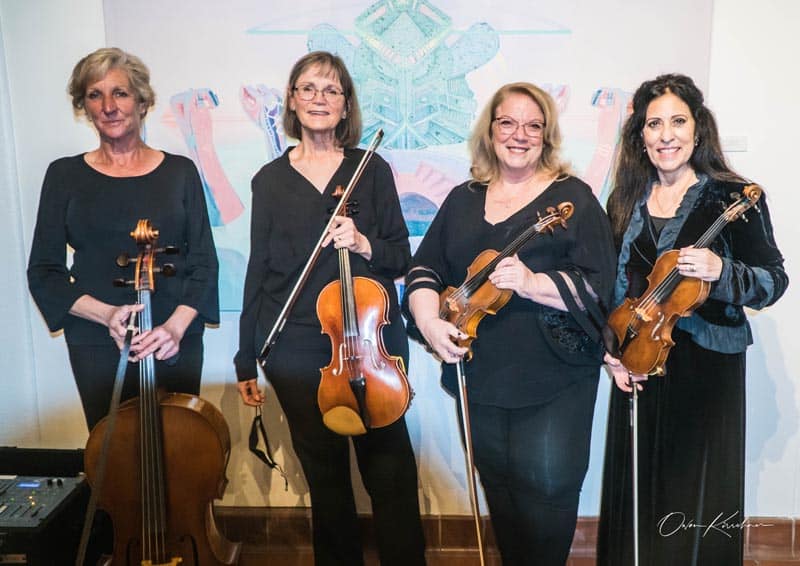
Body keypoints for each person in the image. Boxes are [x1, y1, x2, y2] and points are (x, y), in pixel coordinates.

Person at [403, 82, 617, 565]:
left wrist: (532, 282)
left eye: (533, 126)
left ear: (547, 136)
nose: (519, 135)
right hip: (479, 372)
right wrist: (429, 321)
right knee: (499, 485)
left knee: (548, 489)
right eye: (508, 122)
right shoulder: (463, 198)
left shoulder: (573, 198)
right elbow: (424, 269)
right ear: (490, 130)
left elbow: (599, 285)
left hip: (555, 376)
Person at [234, 51, 426, 566]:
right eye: (308, 88)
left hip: (370, 343)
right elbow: (259, 269)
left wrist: (363, 243)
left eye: (331, 90)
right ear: (292, 101)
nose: (319, 99)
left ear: (346, 105)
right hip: (295, 348)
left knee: (391, 473)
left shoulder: (371, 169)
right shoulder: (269, 181)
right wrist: (246, 355)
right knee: (326, 480)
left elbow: (400, 255)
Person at [596, 73, 788, 565]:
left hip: (706, 371)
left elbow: (773, 281)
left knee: (693, 496)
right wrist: (611, 354)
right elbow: (611, 289)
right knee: (638, 493)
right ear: (640, 135)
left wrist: (722, 271)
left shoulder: (734, 197)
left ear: (698, 129)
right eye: (654, 124)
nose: (666, 135)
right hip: (637, 363)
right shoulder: (624, 199)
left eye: (678, 122)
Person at [27, 47, 219, 432]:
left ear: (142, 102)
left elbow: (204, 263)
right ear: (84, 106)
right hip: (97, 340)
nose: (109, 107)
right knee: (113, 451)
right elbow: (44, 272)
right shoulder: (64, 176)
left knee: (180, 450)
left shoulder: (180, 172)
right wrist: (107, 315)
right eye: (95, 95)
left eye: (120, 93)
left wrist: (175, 328)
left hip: (172, 339)